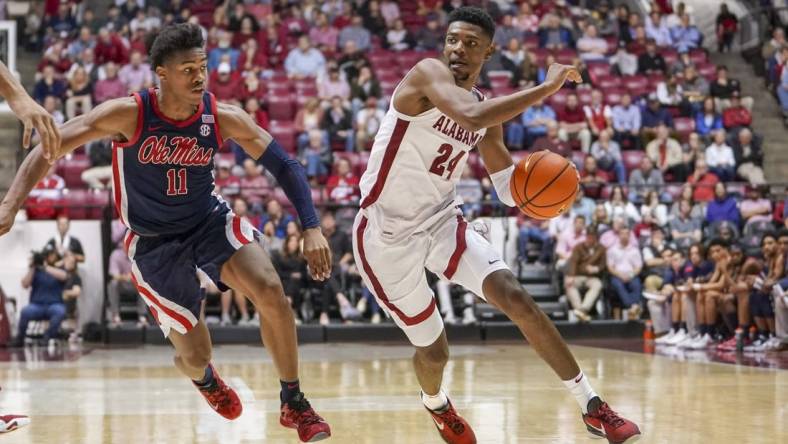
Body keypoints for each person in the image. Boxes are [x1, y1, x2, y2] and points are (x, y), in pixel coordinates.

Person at [0, 24, 332, 442]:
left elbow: (286, 164)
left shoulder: (220, 116)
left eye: (203, 67)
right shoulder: (128, 113)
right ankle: (206, 379)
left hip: (207, 221)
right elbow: (48, 147)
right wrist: (11, 204)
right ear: (161, 73)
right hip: (153, 242)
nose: (199, 77)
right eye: (187, 69)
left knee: (270, 290)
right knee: (195, 355)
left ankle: (294, 401)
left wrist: (312, 226)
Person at [351, 7, 639, 444]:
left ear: (490, 52)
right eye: (452, 40)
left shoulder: (487, 106)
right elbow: (469, 117)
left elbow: (505, 186)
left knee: (515, 296)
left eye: (470, 44)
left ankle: (592, 406)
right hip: (385, 235)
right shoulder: (427, 74)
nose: (457, 50)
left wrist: (538, 188)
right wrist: (546, 87)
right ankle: (437, 405)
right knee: (434, 350)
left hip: (442, 218)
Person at [14, 245, 67, 348]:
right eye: (48, 254)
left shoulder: (59, 268)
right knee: (25, 311)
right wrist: (32, 267)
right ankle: (20, 338)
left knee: (60, 312)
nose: (51, 256)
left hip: (54, 304)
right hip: (37, 305)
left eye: (52, 254)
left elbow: (64, 276)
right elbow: (25, 284)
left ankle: (47, 336)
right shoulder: (36, 271)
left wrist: (45, 267)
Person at [564, 226, 606, 322]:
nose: (590, 239)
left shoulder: (601, 249)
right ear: (586, 236)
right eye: (589, 236)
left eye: (593, 236)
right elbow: (573, 262)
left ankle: (583, 310)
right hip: (577, 275)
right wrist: (571, 276)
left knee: (598, 285)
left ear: (596, 237)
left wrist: (596, 269)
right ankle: (580, 310)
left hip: (592, 277)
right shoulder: (578, 247)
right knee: (569, 284)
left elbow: (603, 265)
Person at [107, 239, 148, 327]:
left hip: (136, 284)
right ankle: (115, 316)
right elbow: (114, 276)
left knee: (144, 284)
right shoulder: (116, 254)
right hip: (122, 284)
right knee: (112, 284)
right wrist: (125, 277)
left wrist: (134, 277)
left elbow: (145, 273)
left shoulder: (139, 253)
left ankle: (142, 316)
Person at [606, 226, 643, 320]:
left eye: (626, 234)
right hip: (617, 275)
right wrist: (620, 275)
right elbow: (610, 267)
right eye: (622, 233)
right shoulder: (612, 249)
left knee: (636, 284)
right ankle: (632, 306)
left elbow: (638, 266)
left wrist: (631, 275)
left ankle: (632, 308)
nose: (624, 236)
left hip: (631, 275)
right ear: (618, 235)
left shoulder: (634, 250)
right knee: (617, 285)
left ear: (630, 235)